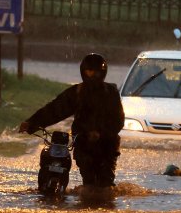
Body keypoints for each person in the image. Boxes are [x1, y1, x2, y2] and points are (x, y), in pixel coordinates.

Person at [19, 53, 125, 188]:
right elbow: (55, 110)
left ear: (102, 73)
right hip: (83, 144)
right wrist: (31, 123)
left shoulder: (111, 93)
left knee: (105, 183)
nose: (92, 76)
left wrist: (101, 133)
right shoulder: (77, 92)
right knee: (89, 183)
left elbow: (118, 120)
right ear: (83, 72)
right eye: (89, 72)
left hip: (107, 146)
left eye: (96, 73)